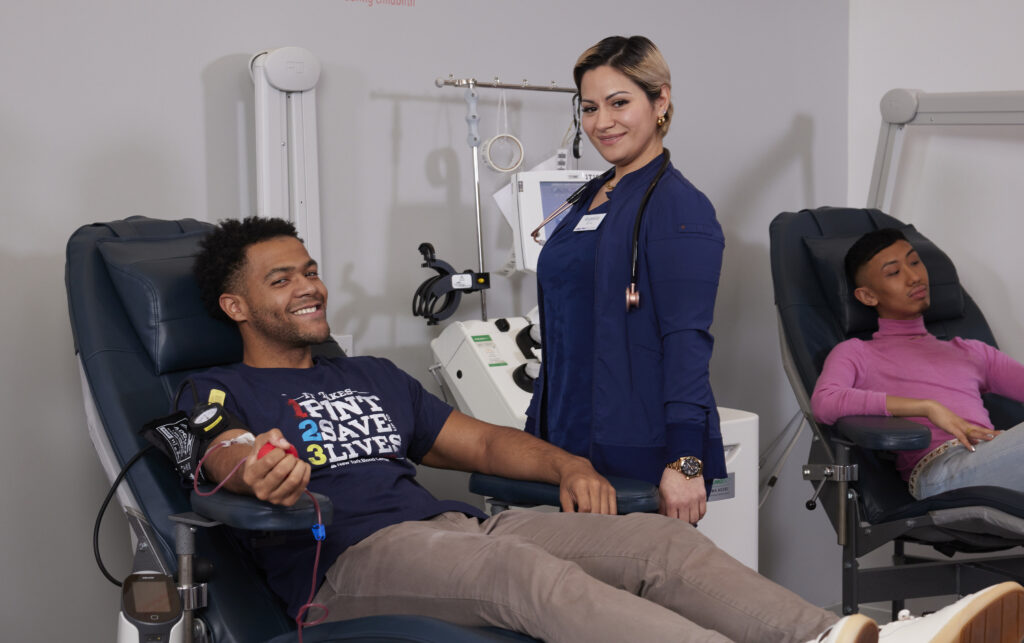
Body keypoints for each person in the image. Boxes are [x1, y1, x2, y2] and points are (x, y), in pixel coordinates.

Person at [182, 216, 1022, 643]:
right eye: (282, 277)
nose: (310, 287)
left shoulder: (366, 374)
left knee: (661, 545)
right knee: (523, 574)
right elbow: (220, 455)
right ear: (235, 305)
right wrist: (258, 469)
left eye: (312, 269)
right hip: (347, 564)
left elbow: (475, 442)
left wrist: (567, 464)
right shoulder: (219, 389)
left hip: (453, 527)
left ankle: (843, 638)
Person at [525, 35, 725, 524]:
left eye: (619, 103)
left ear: (660, 100)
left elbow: (687, 342)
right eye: (589, 108)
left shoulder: (680, 207)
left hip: (641, 449)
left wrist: (685, 461)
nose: (602, 122)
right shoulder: (589, 198)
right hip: (565, 440)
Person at [811, 227, 1024, 499]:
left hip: (994, 456)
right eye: (893, 272)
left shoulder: (971, 351)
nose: (914, 277)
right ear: (868, 296)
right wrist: (927, 408)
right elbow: (825, 402)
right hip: (940, 471)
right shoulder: (856, 353)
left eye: (914, 262)